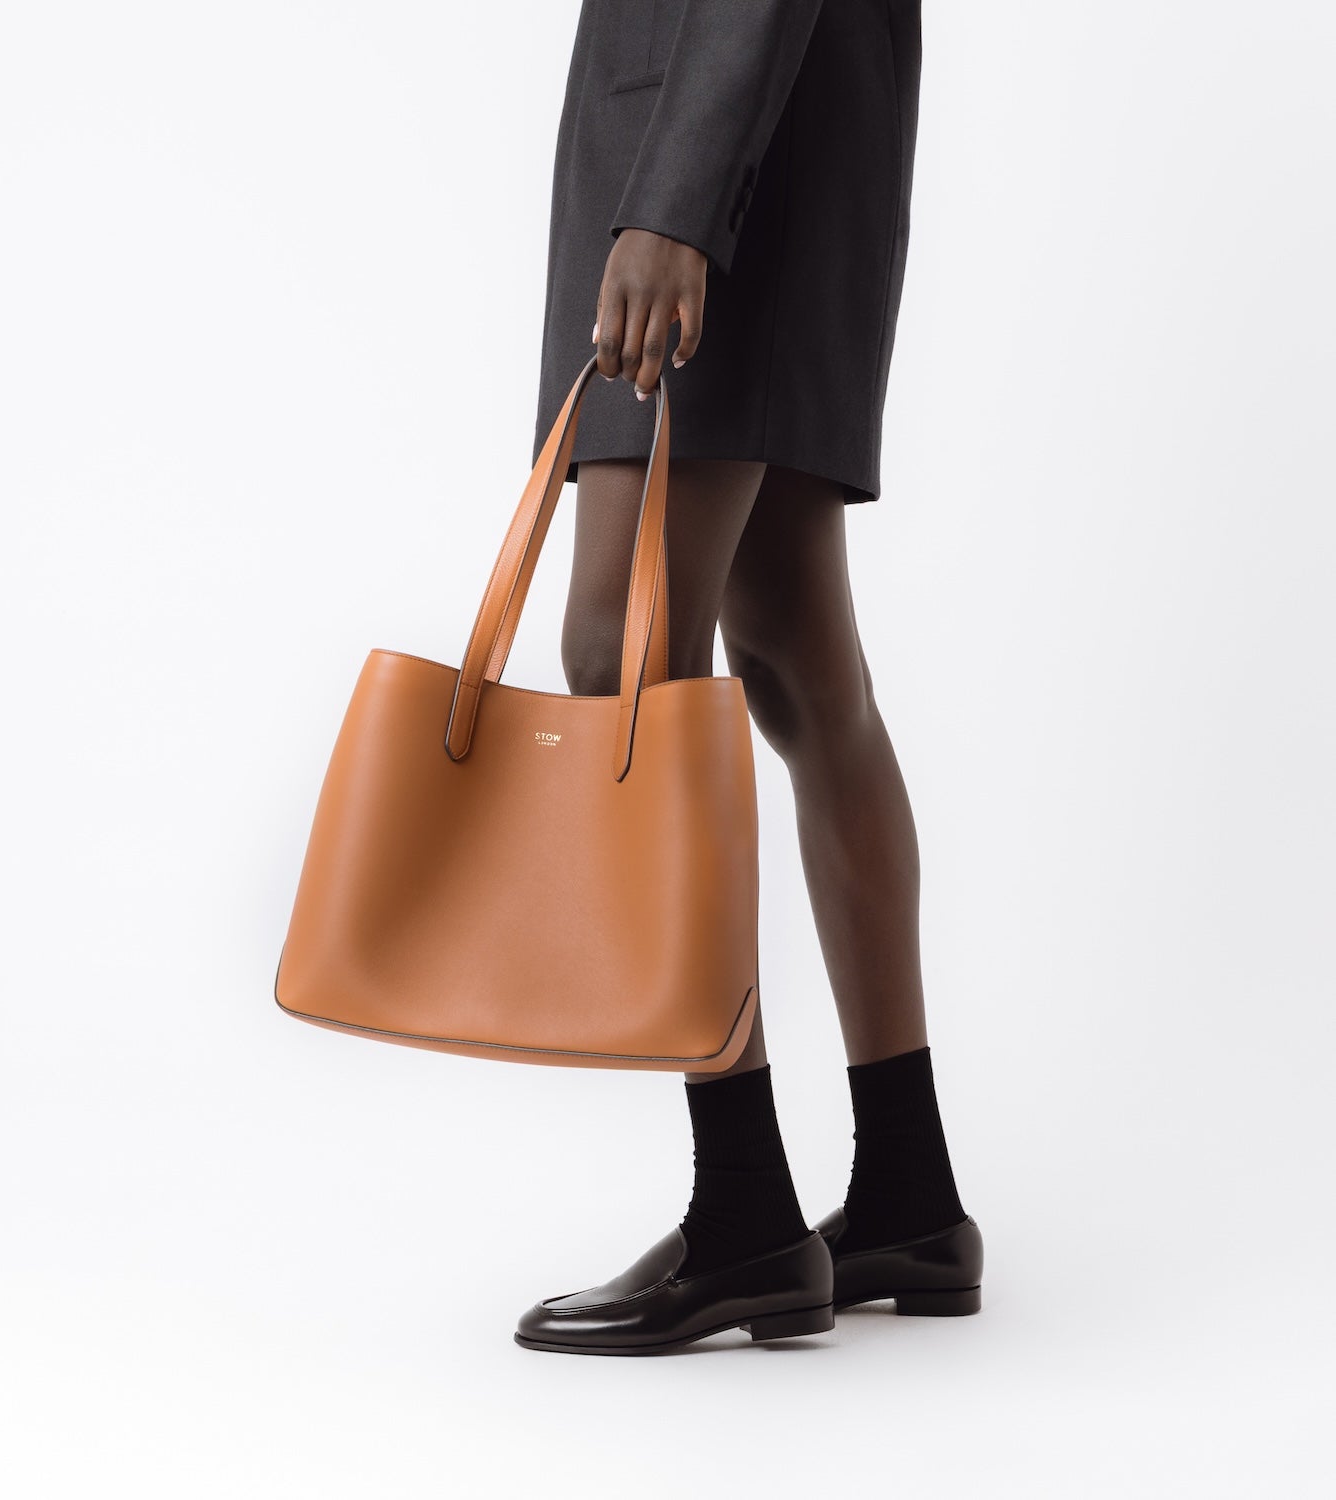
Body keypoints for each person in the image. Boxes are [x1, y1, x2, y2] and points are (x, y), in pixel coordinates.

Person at [514, 0, 983, 1356]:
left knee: (623, 651)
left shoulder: (692, 183)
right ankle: (906, 1185)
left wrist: (677, 200)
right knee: (790, 650)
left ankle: (745, 1212)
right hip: (784, 131)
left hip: (709, 145)